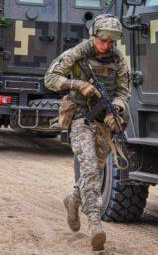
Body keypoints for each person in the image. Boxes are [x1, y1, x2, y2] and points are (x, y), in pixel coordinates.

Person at [44, 14, 130, 251]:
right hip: (81, 118)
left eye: (112, 42)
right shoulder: (78, 54)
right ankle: (95, 224)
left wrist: (118, 110)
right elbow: (50, 78)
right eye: (104, 41)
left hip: (103, 121)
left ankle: (72, 201)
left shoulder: (118, 59)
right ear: (94, 37)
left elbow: (124, 92)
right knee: (90, 168)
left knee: (96, 171)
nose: (108, 46)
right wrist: (77, 84)